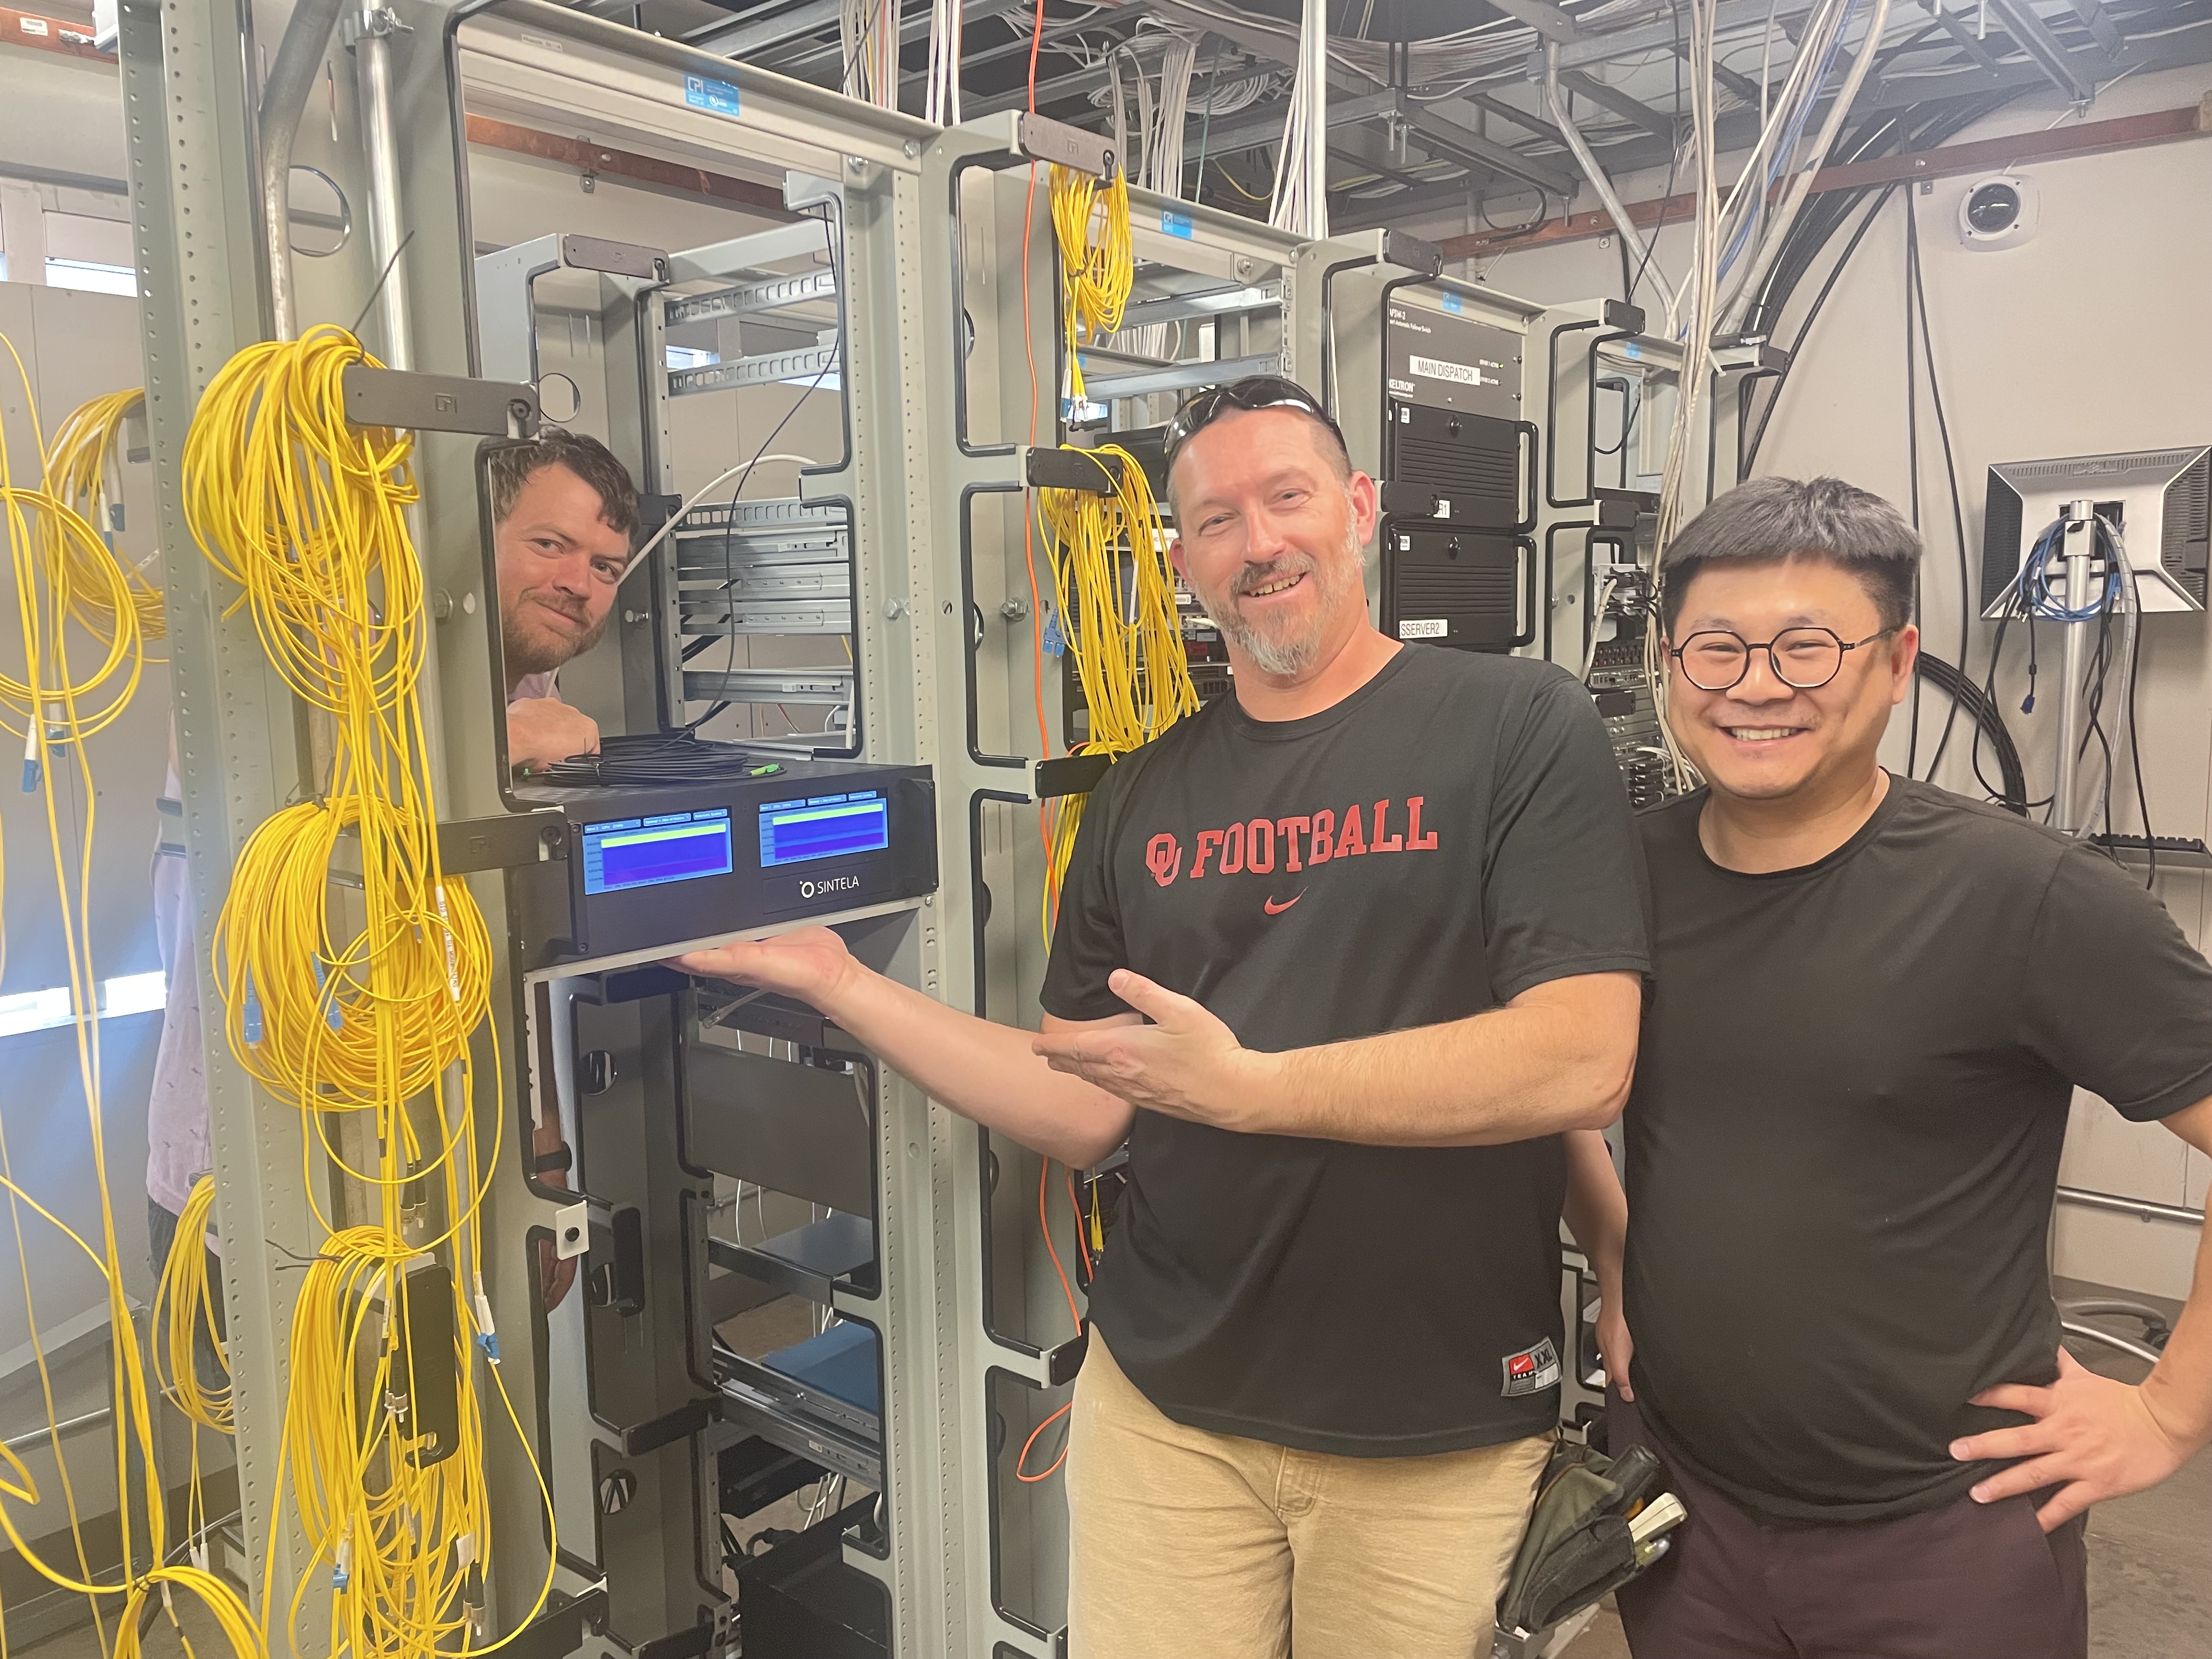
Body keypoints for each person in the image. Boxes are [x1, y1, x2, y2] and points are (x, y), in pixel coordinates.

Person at [675, 375, 1650, 1658]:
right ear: (1182, 559)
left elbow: (1581, 1059)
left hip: (1432, 1427)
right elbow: (1086, 1106)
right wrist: (842, 985)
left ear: (1359, 510)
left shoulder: (1517, 725)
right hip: (1167, 1412)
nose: (1259, 545)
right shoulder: (1142, 795)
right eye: (1216, 521)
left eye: (1287, 498)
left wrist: (1254, 1089)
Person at [1568, 477, 2212, 1659]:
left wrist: (2169, 1414)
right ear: (1668, 662)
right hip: (1684, 1510)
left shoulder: (2025, 895)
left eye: (1806, 648)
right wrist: (1615, 1261)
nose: (1755, 686)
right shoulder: (1620, 873)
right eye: (1715, 647)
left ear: (1898, 656)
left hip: (1943, 1535)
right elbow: (1556, 1072)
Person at [148, 428, 639, 1313]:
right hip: (250, 1182)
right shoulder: (297, 661)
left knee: (464, 1446)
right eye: (550, 544)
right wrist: (488, 751)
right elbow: (273, 791)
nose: (578, 583)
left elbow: (515, 950)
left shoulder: (534, 704)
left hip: (453, 1178)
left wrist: (546, 1138)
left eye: (606, 567)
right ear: (464, 536)